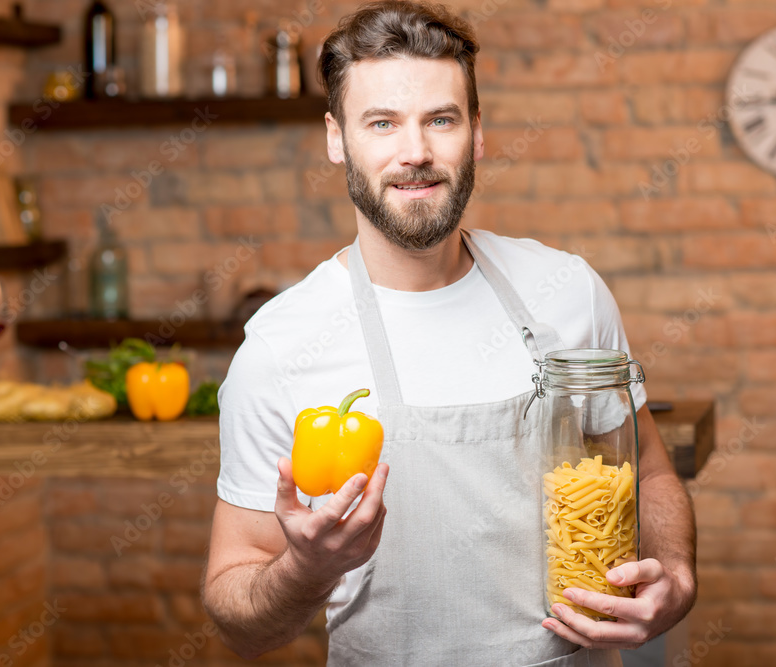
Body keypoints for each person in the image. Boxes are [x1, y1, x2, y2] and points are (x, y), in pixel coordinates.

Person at [201, 1, 697, 664]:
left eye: (441, 119)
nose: (416, 153)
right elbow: (239, 620)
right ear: (336, 137)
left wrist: (675, 570)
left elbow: (652, 476)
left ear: (478, 133)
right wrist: (307, 567)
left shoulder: (567, 291)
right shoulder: (281, 346)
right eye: (382, 123)